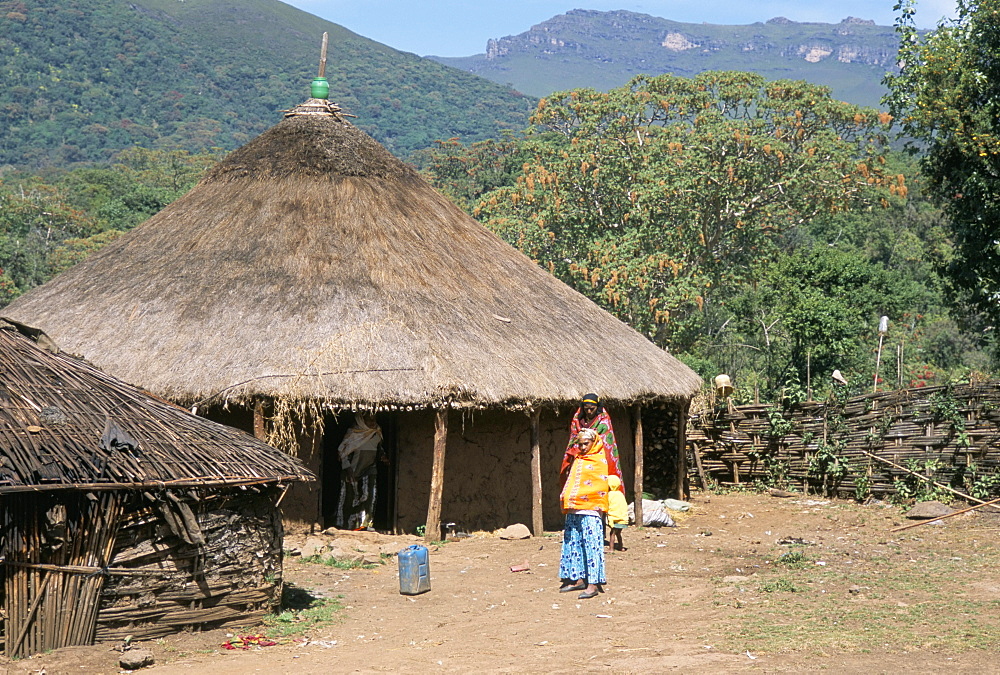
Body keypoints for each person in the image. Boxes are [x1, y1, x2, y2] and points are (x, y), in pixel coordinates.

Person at [558, 428, 609, 599]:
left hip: (590, 510)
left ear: (593, 442)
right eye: (579, 444)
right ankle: (578, 578)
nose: (582, 447)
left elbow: (598, 486)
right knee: (573, 543)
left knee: (591, 545)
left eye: (585, 443)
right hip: (574, 508)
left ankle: (593, 584)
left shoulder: (599, 460)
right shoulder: (578, 459)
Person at [336, 413, 384, 530]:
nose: (373, 422)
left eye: (374, 419)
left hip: (369, 469)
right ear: (362, 420)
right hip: (352, 469)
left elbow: (379, 448)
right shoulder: (353, 433)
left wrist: (383, 456)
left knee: (369, 495)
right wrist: (348, 469)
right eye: (369, 420)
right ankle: (346, 524)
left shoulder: (377, 432)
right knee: (350, 498)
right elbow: (342, 452)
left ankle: (365, 525)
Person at [606, 474, 628, 552]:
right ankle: (620, 546)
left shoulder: (610, 495)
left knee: (612, 533)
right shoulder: (620, 494)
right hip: (622, 518)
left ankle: (611, 548)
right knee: (618, 533)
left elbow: (608, 505)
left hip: (615, 518)